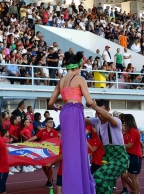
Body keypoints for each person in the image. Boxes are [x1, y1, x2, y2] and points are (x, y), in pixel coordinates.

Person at [47, 51, 96, 193]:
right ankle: (78, 186)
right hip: (75, 112)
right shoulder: (80, 78)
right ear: (77, 67)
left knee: (69, 149)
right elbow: (88, 101)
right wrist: (93, 105)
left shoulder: (61, 80)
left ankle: (71, 185)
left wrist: (58, 107)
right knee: (77, 149)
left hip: (65, 112)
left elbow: (51, 102)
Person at [120, 114, 142, 194]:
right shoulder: (125, 133)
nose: (123, 123)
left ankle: (137, 192)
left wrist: (118, 146)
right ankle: (133, 190)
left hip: (135, 156)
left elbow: (130, 145)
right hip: (127, 156)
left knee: (133, 177)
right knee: (124, 175)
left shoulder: (134, 131)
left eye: (124, 121)